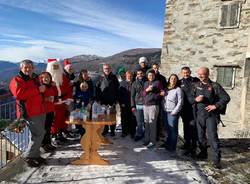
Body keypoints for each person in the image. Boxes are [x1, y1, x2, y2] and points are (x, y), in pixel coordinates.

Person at [9, 59, 46, 167]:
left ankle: (35, 155)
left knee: (37, 134)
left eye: (30, 67)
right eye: (26, 67)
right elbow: (19, 94)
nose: (28, 69)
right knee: (39, 134)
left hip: (39, 109)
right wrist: (38, 90)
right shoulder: (17, 80)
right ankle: (28, 156)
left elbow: (41, 90)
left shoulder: (34, 78)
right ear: (21, 68)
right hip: (30, 112)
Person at [194, 67, 230, 169]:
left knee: (212, 138)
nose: (200, 76)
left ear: (208, 74)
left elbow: (226, 97)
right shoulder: (196, 85)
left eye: (203, 74)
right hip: (199, 115)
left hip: (211, 116)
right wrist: (195, 99)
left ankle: (216, 160)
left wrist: (216, 106)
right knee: (200, 137)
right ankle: (203, 153)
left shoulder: (215, 85)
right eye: (199, 74)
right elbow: (192, 98)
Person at [46, 58, 73, 144]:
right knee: (54, 120)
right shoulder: (47, 78)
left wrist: (68, 98)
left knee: (63, 118)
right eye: (54, 66)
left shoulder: (63, 77)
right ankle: (54, 136)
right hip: (53, 103)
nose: (56, 67)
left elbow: (68, 89)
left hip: (63, 102)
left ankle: (61, 134)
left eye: (57, 66)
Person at [179, 66, 200, 156]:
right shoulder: (180, 82)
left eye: (187, 72)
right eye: (184, 73)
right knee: (186, 126)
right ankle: (187, 143)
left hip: (194, 107)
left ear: (190, 72)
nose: (185, 74)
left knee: (193, 127)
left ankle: (193, 146)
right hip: (185, 108)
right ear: (181, 73)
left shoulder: (195, 80)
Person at [95, 63, 119, 136]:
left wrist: (116, 99)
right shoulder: (100, 78)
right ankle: (105, 130)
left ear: (110, 69)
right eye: (105, 68)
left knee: (112, 116)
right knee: (104, 116)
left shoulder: (114, 77)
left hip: (112, 101)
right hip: (103, 101)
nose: (107, 70)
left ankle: (112, 130)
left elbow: (117, 89)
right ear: (103, 69)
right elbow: (97, 89)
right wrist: (98, 99)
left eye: (108, 68)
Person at [143, 69, 164, 149]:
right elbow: (143, 93)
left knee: (153, 124)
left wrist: (155, 97)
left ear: (154, 76)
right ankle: (147, 139)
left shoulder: (158, 83)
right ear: (147, 76)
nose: (150, 76)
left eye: (152, 75)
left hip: (153, 105)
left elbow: (162, 93)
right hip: (145, 105)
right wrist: (147, 90)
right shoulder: (145, 83)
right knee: (147, 123)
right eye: (149, 75)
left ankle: (152, 141)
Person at [162, 74, 183, 152]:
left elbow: (180, 102)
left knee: (173, 130)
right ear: (169, 79)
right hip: (165, 111)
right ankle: (168, 143)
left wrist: (174, 112)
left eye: (174, 79)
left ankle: (172, 147)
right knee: (168, 129)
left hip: (172, 113)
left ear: (176, 80)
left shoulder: (178, 89)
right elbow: (163, 100)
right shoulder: (166, 89)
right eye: (171, 78)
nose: (173, 80)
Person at [39, 72, 57, 152]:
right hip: (43, 111)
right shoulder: (41, 87)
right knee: (44, 129)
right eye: (44, 77)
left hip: (50, 109)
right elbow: (37, 98)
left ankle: (48, 143)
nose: (46, 79)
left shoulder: (50, 87)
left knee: (48, 128)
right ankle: (43, 145)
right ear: (41, 79)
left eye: (48, 77)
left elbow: (54, 96)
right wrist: (46, 99)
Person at [74, 69, 94, 136]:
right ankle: (80, 131)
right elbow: (76, 94)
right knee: (80, 118)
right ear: (81, 75)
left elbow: (92, 92)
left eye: (86, 74)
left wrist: (90, 102)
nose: (85, 75)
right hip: (80, 104)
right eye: (84, 74)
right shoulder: (78, 82)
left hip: (87, 103)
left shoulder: (90, 81)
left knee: (87, 118)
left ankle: (87, 131)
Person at [118, 71, 137, 138]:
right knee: (124, 118)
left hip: (133, 104)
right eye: (128, 75)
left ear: (132, 76)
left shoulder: (134, 83)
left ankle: (132, 132)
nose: (129, 77)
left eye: (130, 75)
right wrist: (121, 103)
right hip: (124, 104)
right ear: (126, 76)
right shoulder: (122, 83)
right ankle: (124, 132)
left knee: (133, 119)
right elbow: (119, 95)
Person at [152, 63, 167, 141]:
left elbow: (165, 88)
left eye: (157, 68)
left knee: (159, 118)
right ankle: (153, 134)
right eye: (154, 68)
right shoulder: (150, 77)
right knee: (152, 118)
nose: (156, 69)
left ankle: (158, 133)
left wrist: (163, 92)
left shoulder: (162, 78)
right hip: (151, 101)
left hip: (160, 100)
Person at [131, 69, 146, 141]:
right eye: (138, 74)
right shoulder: (134, 83)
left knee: (147, 121)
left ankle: (147, 134)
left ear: (143, 74)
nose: (140, 75)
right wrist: (133, 106)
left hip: (146, 104)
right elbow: (132, 96)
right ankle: (139, 134)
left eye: (141, 73)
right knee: (139, 121)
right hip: (138, 105)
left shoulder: (147, 82)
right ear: (136, 75)